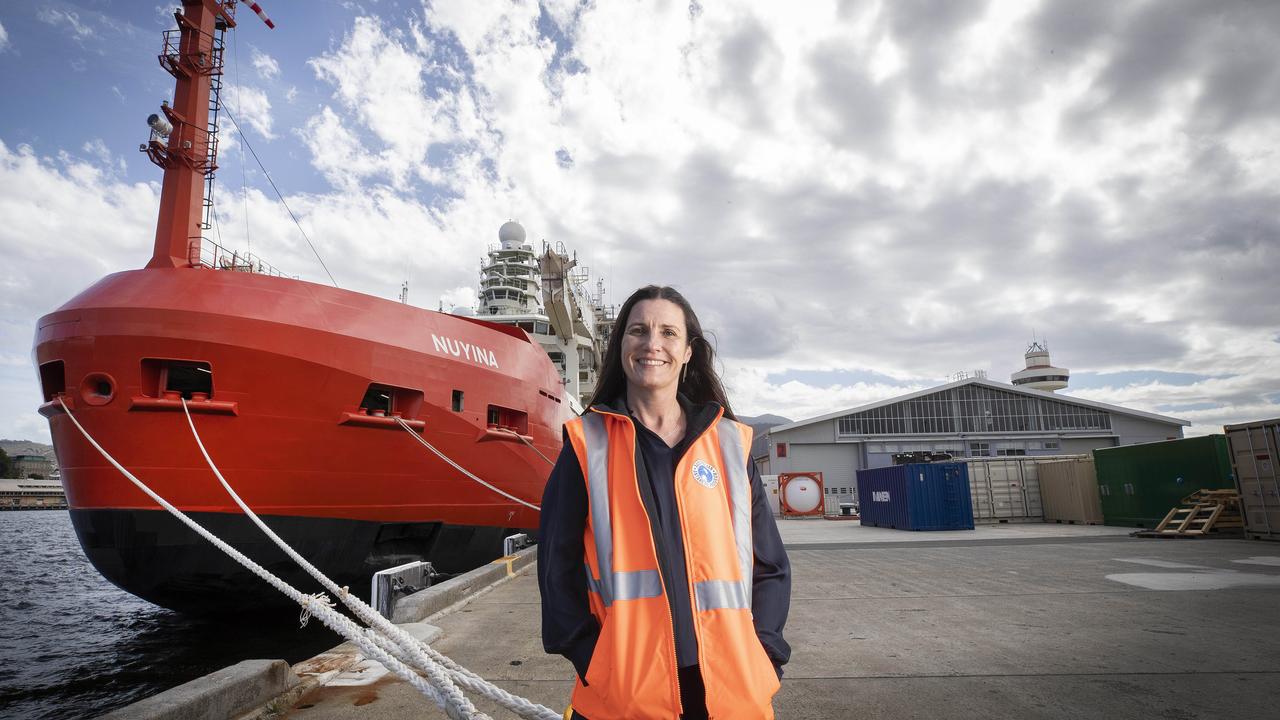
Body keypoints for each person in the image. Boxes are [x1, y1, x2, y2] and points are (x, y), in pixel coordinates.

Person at [538, 285, 791, 720]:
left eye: (668, 332)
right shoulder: (587, 444)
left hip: (731, 690)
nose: (652, 343)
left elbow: (770, 565)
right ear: (620, 345)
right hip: (624, 694)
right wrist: (593, 661)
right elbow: (554, 569)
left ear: (689, 351)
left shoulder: (730, 443)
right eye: (638, 330)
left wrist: (765, 654)